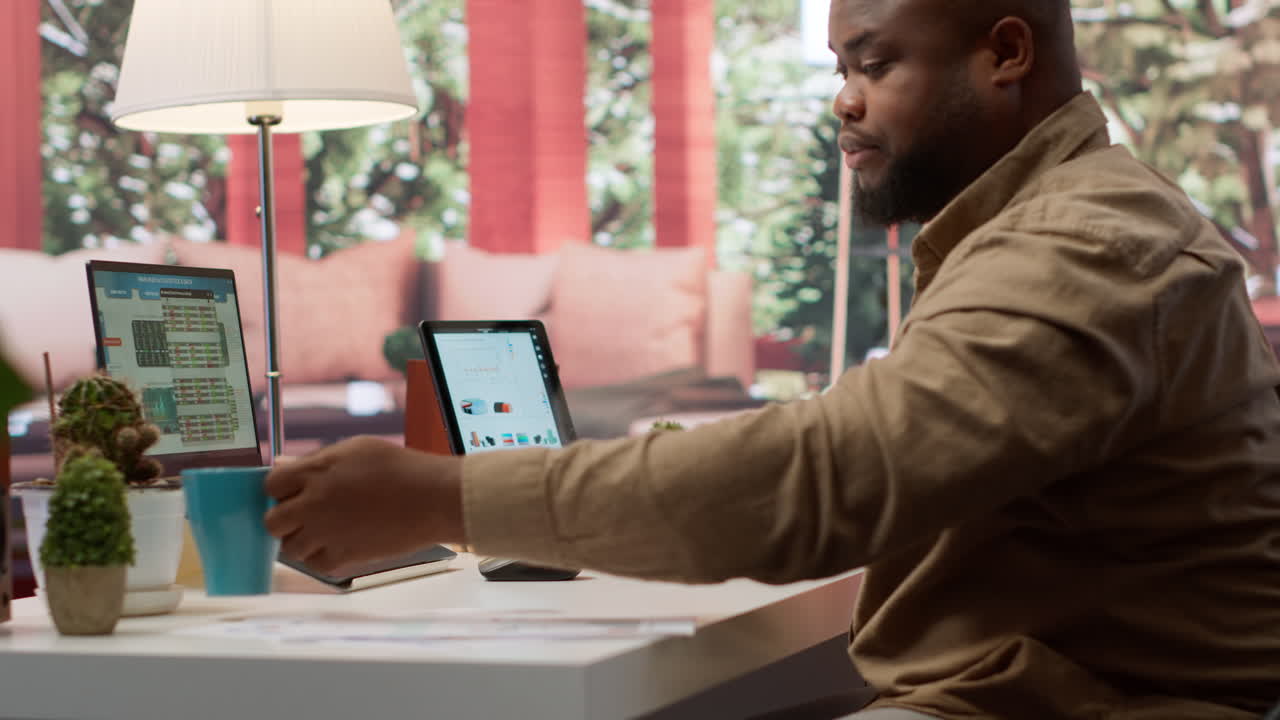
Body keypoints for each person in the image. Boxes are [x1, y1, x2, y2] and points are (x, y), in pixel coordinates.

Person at [263, 0, 1280, 717]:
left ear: (1002, 53)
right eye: (839, 68)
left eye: (874, 63)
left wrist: (443, 497)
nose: (842, 101)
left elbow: (831, 477)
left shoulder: (1084, 247)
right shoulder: (1051, 226)